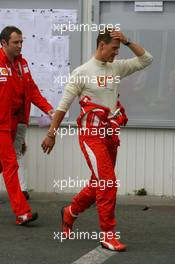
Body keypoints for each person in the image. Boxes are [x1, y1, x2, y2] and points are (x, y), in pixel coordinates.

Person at [42, 29, 153, 251]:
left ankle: (69, 212)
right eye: (113, 49)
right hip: (91, 136)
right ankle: (107, 235)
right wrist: (51, 134)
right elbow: (63, 107)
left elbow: (146, 59)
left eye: (118, 49)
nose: (116, 54)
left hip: (110, 135)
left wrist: (127, 40)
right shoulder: (82, 72)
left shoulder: (117, 68)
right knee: (108, 183)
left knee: (99, 183)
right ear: (101, 45)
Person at [0, 26, 54, 225]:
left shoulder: (22, 64)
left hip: (16, 123)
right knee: (11, 165)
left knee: (4, 165)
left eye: (22, 42)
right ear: (4, 43)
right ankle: (22, 212)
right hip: (1, 125)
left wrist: (49, 110)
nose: (20, 46)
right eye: (16, 42)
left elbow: (31, 90)